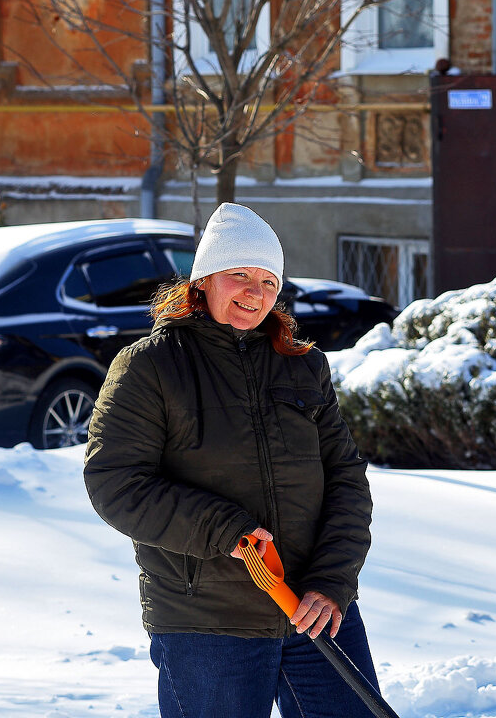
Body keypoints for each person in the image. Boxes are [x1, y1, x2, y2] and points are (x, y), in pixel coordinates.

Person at [84, 202, 379, 718]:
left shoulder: (303, 366)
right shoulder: (150, 366)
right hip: (208, 620)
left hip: (313, 609)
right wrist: (225, 529)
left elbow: (346, 479)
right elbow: (117, 483)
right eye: (239, 274)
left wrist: (332, 582)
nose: (254, 292)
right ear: (203, 280)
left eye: (268, 281)